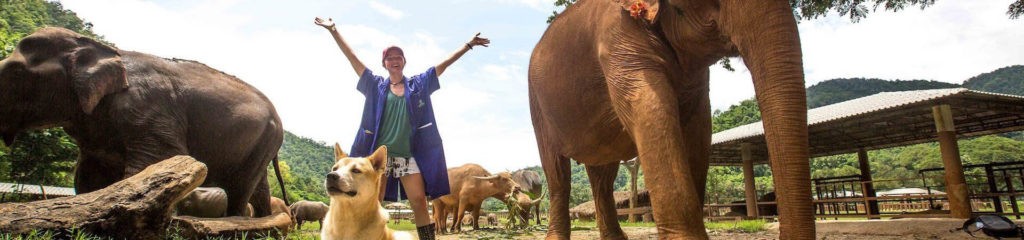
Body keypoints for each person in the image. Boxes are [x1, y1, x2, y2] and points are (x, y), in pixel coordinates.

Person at [314, 16, 489, 239]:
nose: (394, 60)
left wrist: (467, 46)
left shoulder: (418, 84)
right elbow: (353, 59)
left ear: (404, 62)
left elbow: (441, 67)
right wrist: (334, 31)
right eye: (390, 58)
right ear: (384, 64)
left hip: (408, 157)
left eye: (398, 57)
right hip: (379, 158)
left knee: (418, 202)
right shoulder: (375, 85)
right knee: (372, 201)